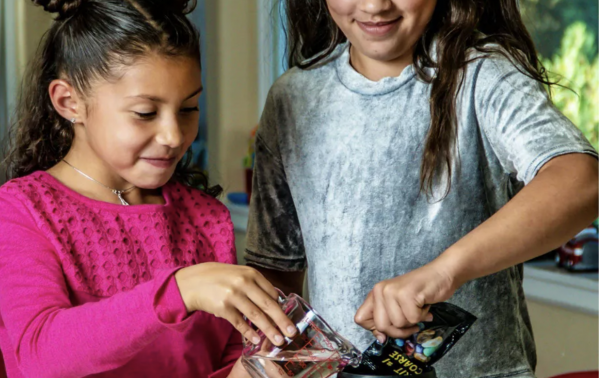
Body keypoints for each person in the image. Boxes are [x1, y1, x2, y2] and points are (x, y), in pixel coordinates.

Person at [245, 0, 598, 377]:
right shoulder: (290, 97)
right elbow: (276, 292)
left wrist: (443, 272)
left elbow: (581, 180)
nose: (374, 5)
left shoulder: (483, 73)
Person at [0, 1, 295, 377]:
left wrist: (253, 369)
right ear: (69, 102)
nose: (173, 135)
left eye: (189, 108)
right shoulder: (24, 209)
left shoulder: (205, 217)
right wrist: (177, 291)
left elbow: (226, 355)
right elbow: (40, 355)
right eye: (145, 113)